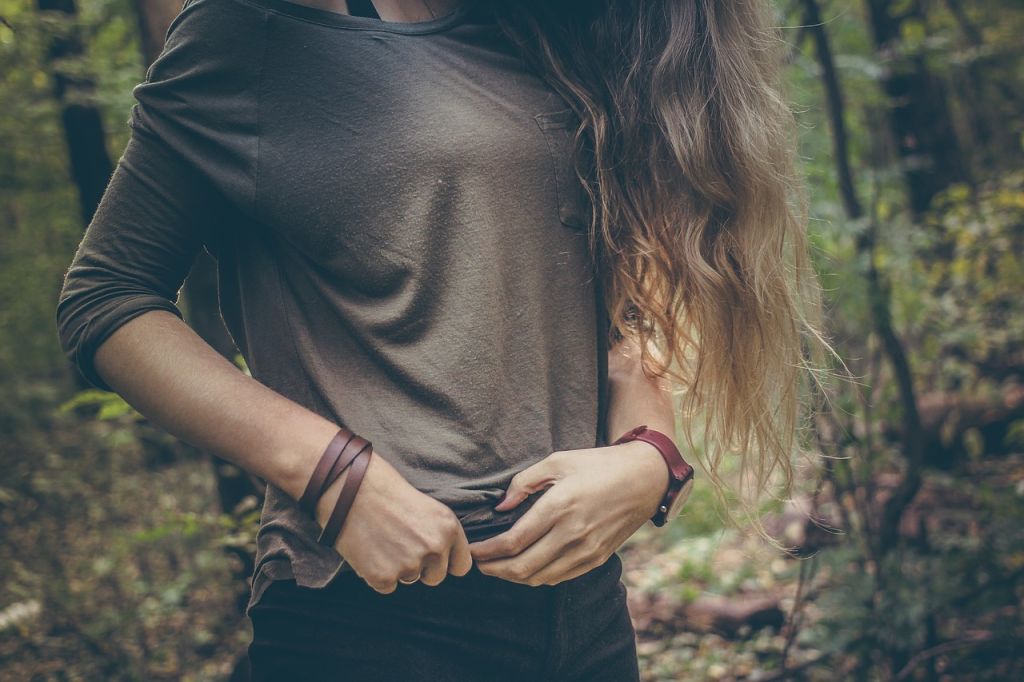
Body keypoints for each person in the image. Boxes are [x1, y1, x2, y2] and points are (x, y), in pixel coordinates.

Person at [55, 0, 824, 679]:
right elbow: (106, 299)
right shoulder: (253, 32)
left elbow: (614, 280)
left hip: (585, 610)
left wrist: (650, 454)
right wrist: (333, 475)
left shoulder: (544, 27)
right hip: (376, 617)